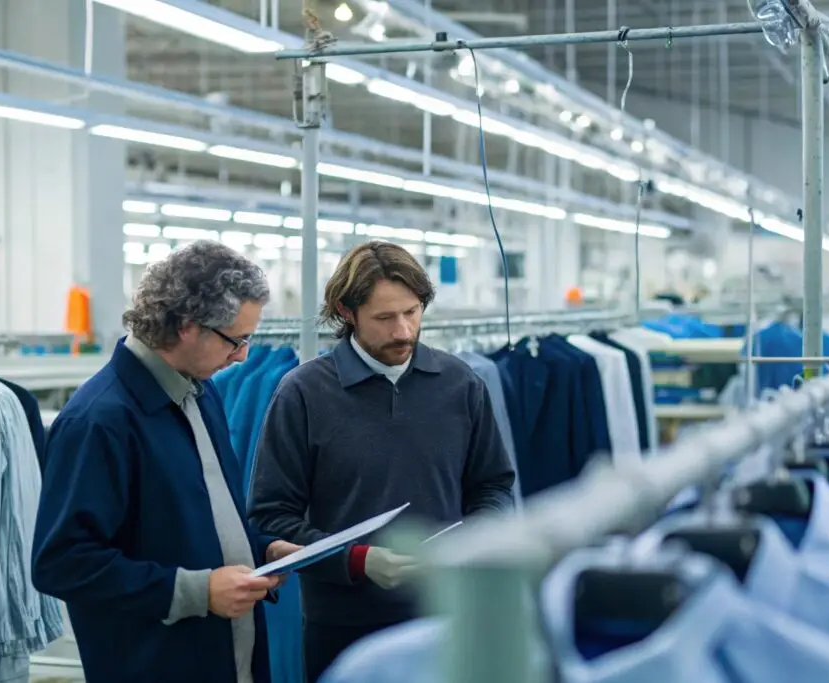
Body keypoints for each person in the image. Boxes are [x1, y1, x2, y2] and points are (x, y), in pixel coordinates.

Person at [32, 240, 301, 683]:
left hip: (228, 659)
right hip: (155, 663)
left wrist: (263, 549)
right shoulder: (99, 421)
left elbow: (193, 524)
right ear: (187, 326)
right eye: (236, 340)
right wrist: (197, 592)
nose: (243, 355)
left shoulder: (199, 393)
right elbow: (62, 563)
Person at [250, 240, 516, 682]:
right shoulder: (303, 393)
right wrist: (356, 560)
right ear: (347, 311)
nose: (403, 331)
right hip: (344, 628)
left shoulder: (461, 384)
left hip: (446, 618)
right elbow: (270, 517)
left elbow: (494, 487)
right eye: (385, 318)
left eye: (412, 312)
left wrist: (470, 541)